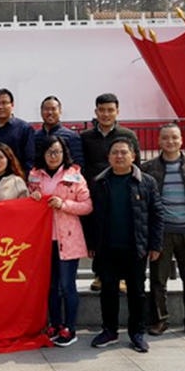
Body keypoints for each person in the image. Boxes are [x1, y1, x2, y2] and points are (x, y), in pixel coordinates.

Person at [89, 137, 163, 354]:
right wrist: (92, 243)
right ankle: (109, 331)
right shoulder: (99, 182)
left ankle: (137, 333)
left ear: (133, 156)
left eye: (124, 152)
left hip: (136, 248)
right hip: (107, 248)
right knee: (108, 291)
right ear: (108, 157)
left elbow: (157, 214)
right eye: (115, 153)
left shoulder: (146, 182)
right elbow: (92, 217)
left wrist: (155, 245)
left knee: (137, 293)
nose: (119, 156)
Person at [142, 123, 185, 339]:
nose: (170, 142)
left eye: (174, 137)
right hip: (161, 233)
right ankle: (160, 320)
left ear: (181, 140)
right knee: (158, 280)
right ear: (158, 141)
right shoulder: (148, 168)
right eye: (165, 138)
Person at [28, 136, 92, 347]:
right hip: (44, 239)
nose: (53, 156)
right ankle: (55, 325)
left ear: (64, 154)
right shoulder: (35, 175)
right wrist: (33, 199)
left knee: (67, 285)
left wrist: (63, 204)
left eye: (57, 152)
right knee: (51, 286)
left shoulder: (74, 175)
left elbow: (87, 206)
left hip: (68, 239)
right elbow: (27, 201)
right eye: (49, 152)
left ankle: (70, 328)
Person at [80, 93, 141, 292]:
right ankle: (99, 274)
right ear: (96, 112)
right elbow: (82, 165)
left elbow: (137, 164)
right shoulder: (86, 137)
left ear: (117, 111)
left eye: (110, 110)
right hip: (96, 193)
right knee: (99, 233)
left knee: (120, 233)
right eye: (102, 110)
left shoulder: (128, 135)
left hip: (122, 191)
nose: (106, 114)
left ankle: (122, 277)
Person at [0, 88, 35, 173]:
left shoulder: (24, 128)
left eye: (4, 103)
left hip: (17, 178)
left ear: (12, 105)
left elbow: (29, 160)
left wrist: (23, 178)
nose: (0, 107)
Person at [34, 96, 84, 167]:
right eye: (46, 109)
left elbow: (78, 164)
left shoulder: (71, 136)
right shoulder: (35, 137)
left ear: (60, 112)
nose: (50, 112)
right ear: (41, 112)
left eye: (53, 109)